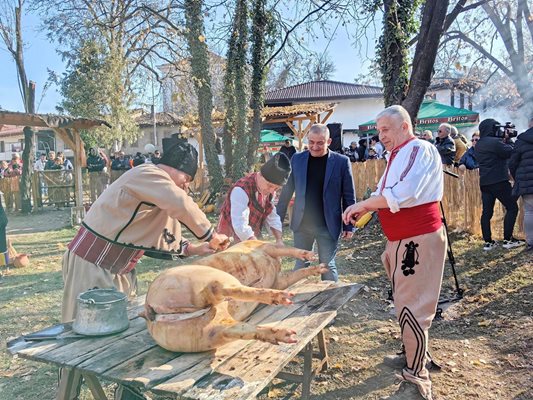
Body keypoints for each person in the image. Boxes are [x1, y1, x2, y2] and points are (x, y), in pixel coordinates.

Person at [59, 134, 230, 400]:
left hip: (120, 269)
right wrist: (210, 235)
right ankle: (68, 390)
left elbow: (163, 234)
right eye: (186, 179)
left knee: (124, 335)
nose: (185, 187)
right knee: (85, 336)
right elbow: (181, 203)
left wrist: (194, 249)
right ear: (176, 170)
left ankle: (128, 392)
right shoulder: (148, 174)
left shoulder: (157, 193)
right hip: (91, 262)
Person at [343, 105, 446, 400]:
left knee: (412, 305)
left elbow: (407, 193)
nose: (380, 135)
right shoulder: (397, 156)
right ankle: (412, 353)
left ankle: (417, 380)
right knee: (404, 301)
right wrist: (367, 207)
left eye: (385, 129)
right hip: (401, 239)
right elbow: (386, 194)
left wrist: (365, 205)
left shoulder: (419, 149)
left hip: (417, 239)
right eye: (379, 129)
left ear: (404, 126)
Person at [276, 124, 356, 282]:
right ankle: (297, 301)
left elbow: (349, 196)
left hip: (328, 224)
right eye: (311, 142)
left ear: (329, 141)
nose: (315, 147)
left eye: (320, 143)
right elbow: (286, 192)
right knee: (301, 264)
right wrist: (277, 221)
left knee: (327, 265)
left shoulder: (341, 162)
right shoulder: (297, 159)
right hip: (302, 224)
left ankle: (331, 301)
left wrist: (349, 225)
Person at [218, 152, 291, 244]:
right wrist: (257, 247)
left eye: (276, 188)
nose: (272, 191)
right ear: (260, 175)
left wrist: (279, 240)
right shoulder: (241, 190)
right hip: (229, 237)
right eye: (269, 185)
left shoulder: (270, 191)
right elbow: (240, 225)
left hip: (251, 236)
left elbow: (272, 217)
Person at [475, 118, 524, 250]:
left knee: (487, 212)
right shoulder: (495, 142)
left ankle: (488, 242)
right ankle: (508, 240)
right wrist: (508, 139)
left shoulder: (479, 144)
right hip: (498, 181)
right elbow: (512, 152)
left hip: (484, 183)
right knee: (512, 207)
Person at [509, 116, 533, 251]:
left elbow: (513, 162)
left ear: (530, 123)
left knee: (529, 212)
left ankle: (530, 242)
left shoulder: (521, 140)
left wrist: (516, 177)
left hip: (526, 182)